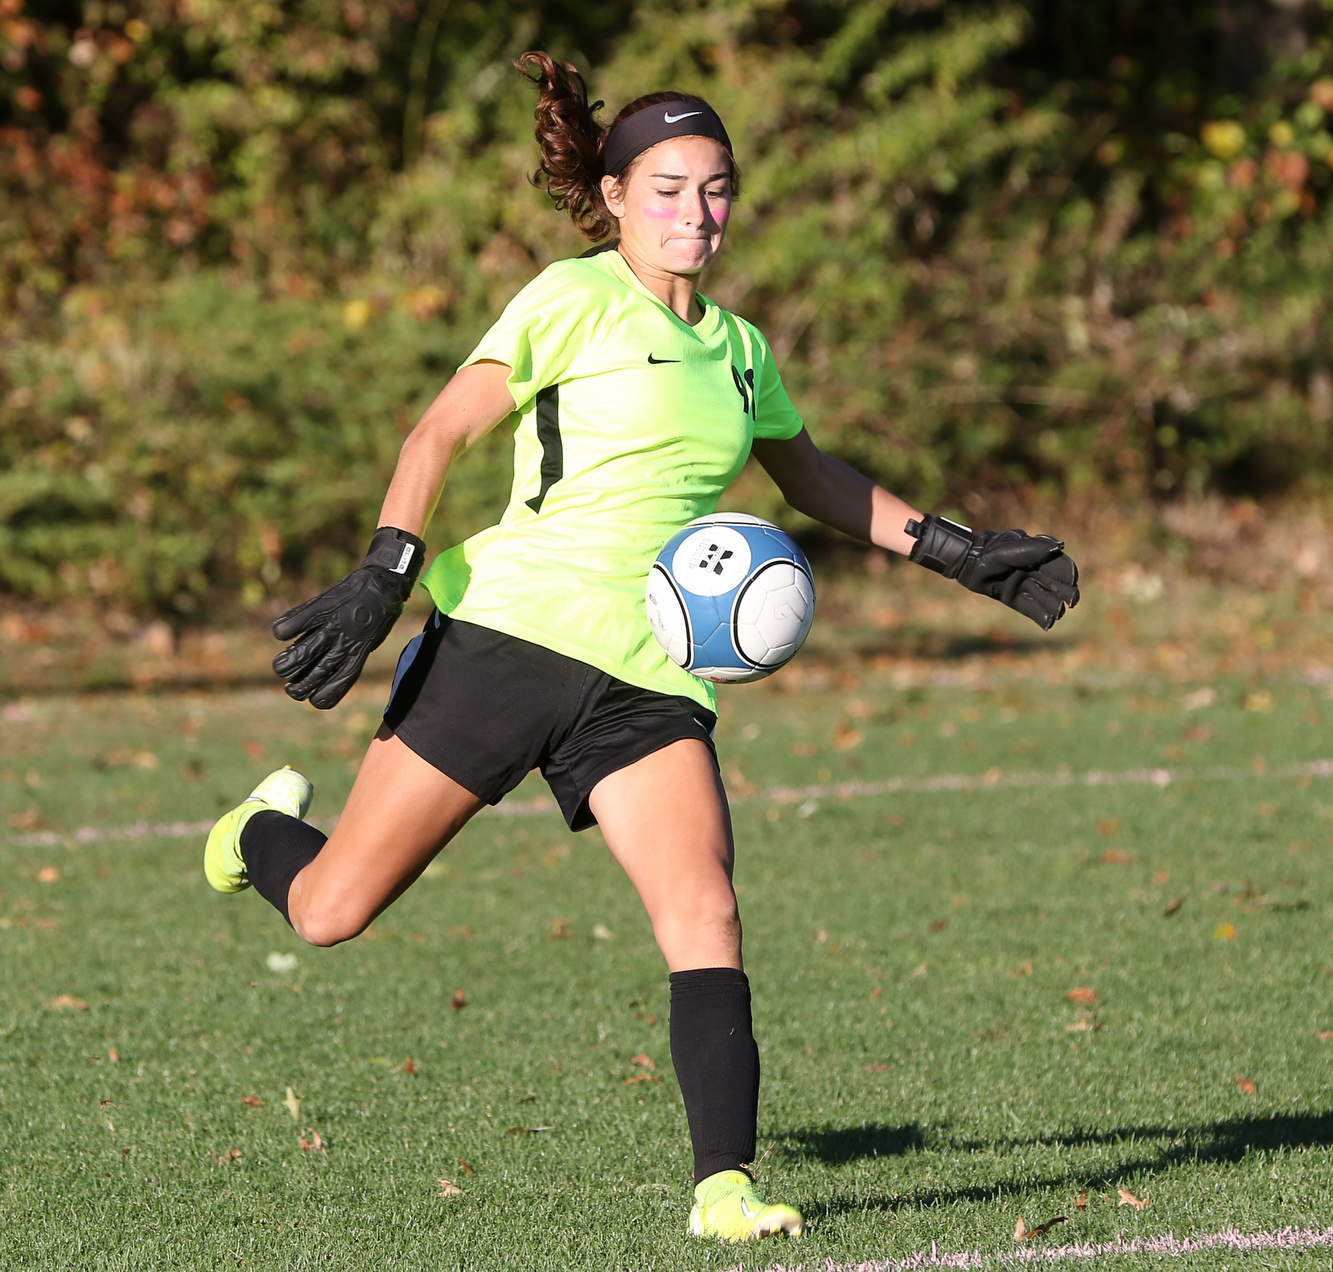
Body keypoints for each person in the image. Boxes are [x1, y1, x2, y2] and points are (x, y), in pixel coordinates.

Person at [202, 51, 1079, 1244]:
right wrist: (384, 572)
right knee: (328, 913)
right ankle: (254, 829)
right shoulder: (568, 298)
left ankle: (724, 1188)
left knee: (703, 911)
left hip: (652, 671)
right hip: (505, 636)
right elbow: (437, 432)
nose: (695, 213)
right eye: (667, 189)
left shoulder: (740, 348)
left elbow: (808, 474)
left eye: (715, 189)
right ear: (613, 196)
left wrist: (957, 551)